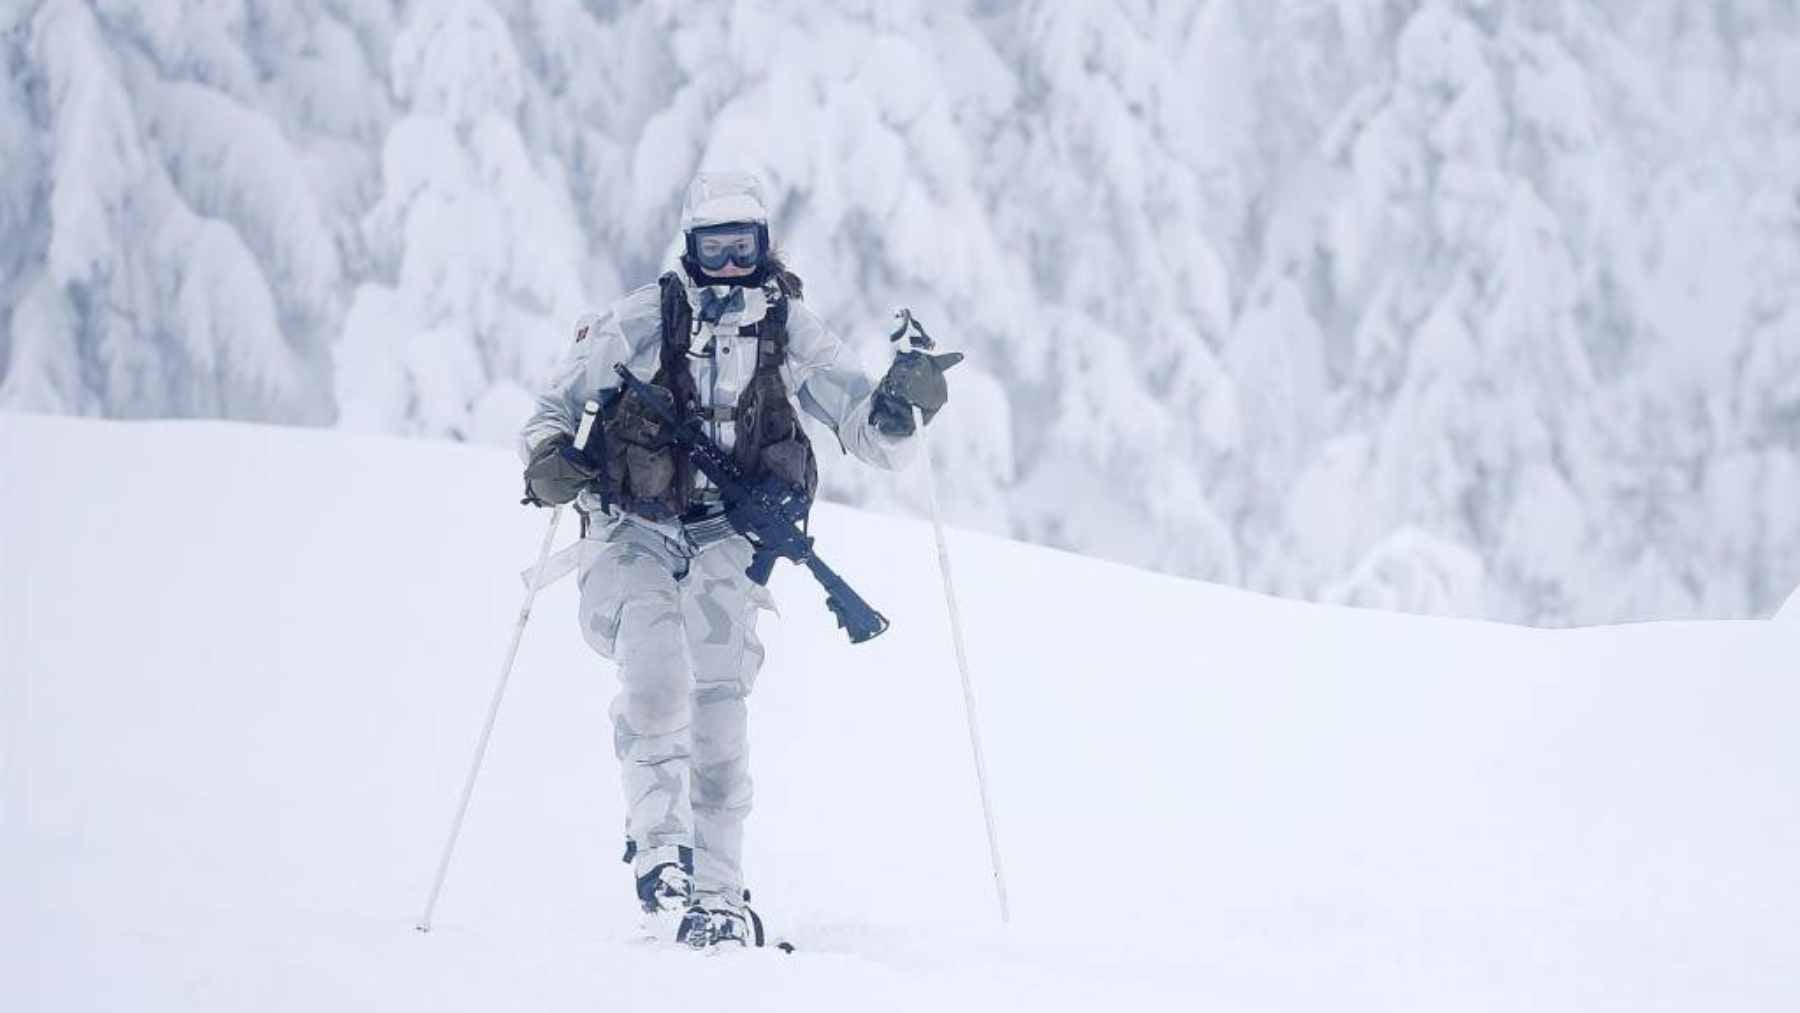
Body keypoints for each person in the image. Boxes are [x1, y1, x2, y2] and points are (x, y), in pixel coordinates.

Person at [517, 171, 960, 948]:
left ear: (763, 246)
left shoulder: (787, 328)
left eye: (742, 248)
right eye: (713, 249)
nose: (728, 266)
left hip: (726, 533)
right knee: (656, 681)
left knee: (718, 706)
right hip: (634, 524)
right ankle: (663, 852)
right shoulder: (646, 318)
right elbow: (553, 407)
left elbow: (866, 428)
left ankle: (719, 893)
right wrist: (552, 457)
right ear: (690, 247)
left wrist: (900, 405)